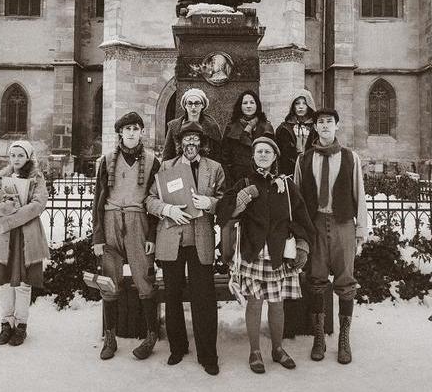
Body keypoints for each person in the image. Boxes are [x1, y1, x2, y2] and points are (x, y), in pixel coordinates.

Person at [217, 137, 315, 374]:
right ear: (253, 156)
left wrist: (302, 243)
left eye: (267, 152)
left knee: (277, 303)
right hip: (253, 252)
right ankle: (255, 351)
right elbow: (223, 213)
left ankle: (278, 349)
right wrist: (241, 199)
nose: (263, 155)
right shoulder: (245, 182)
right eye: (259, 151)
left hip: (278, 252)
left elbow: (301, 218)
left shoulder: (287, 186)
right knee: (254, 302)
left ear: (275, 157)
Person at [146, 121, 226, 376]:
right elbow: (149, 199)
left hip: (200, 240)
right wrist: (166, 209)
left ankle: (207, 353)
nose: (190, 144)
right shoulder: (167, 167)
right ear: (179, 143)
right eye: (186, 139)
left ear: (202, 143)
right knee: (172, 295)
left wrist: (210, 203)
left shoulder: (214, 169)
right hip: (172, 240)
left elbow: (226, 201)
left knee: (204, 298)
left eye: (195, 139)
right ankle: (177, 347)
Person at [294, 108, 369, 364]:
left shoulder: (350, 157)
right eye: (320, 122)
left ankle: (343, 339)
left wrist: (361, 230)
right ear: (314, 127)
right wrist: (299, 232)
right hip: (314, 224)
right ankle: (318, 336)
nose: (324, 126)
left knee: (346, 281)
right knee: (315, 279)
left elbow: (359, 193)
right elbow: (297, 200)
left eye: (329, 122)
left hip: (343, 224)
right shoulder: (304, 159)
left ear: (337, 126)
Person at [92, 112, 162, 361]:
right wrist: (98, 236)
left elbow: (157, 200)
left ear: (142, 131)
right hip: (111, 220)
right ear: (120, 133)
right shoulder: (107, 160)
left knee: (144, 279)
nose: (131, 133)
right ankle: (110, 336)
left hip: (138, 221)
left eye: (136, 128)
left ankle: (151, 334)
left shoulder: (153, 161)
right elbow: (98, 200)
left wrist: (152, 233)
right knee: (110, 281)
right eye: (127, 129)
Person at [0, 140, 50, 347]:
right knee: (4, 282)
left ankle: (21, 325)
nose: (16, 159)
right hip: (4, 237)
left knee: (22, 283)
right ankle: (6, 323)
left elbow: (39, 204)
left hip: (25, 236)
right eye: (13, 155)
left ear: (28, 157)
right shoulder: (0, 178)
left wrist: (13, 216)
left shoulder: (37, 179)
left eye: (21, 155)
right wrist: (4, 208)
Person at [222, 89, 274, 186]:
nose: (248, 106)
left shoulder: (266, 127)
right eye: (245, 103)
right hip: (237, 178)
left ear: (257, 105)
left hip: (261, 178)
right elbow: (225, 157)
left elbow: (273, 156)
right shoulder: (231, 127)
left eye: (252, 102)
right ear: (240, 106)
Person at [162, 88, 222, 163]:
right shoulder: (174, 126)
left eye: (197, 103)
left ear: (202, 105)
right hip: (180, 170)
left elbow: (218, 155)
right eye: (190, 103)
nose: (193, 107)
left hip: (205, 170)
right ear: (185, 106)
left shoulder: (211, 126)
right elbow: (167, 155)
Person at [275, 89, 319, 177]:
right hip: (288, 172)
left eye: (304, 103)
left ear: (309, 106)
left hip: (312, 171)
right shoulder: (283, 128)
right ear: (293, 106)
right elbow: (278, 154)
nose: (301, 106)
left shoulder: (316, 128)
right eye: (297, 103)